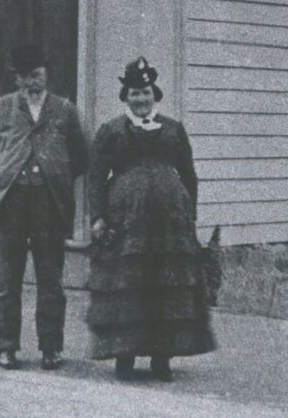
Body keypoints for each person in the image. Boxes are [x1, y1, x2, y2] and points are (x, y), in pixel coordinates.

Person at [86, 56, 216, 380]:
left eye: (145, 92)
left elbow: (189, 174)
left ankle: (162, 359)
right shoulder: (111, 131)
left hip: (169, 224)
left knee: (165, 286)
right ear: (125, 97)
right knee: (128, 285)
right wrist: (98, 217)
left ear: (154, 94)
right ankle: (124, 359)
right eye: (134, 93)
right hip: (127, 222)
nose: (141, 99)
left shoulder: (173, 129)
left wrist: (190, 215)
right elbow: (95, 177)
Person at [0, 42, 89, 370]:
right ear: (16, 80)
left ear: (46, 74)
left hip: (49, 206)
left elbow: (82, 155)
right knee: (8, 281)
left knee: (51, 281)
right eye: (24, 77)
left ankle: (51, 347)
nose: (31, 83)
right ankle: (6, 346)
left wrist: (56, 174)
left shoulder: (65, 109)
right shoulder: (0, 108)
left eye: (36, 75)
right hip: (10, 204)